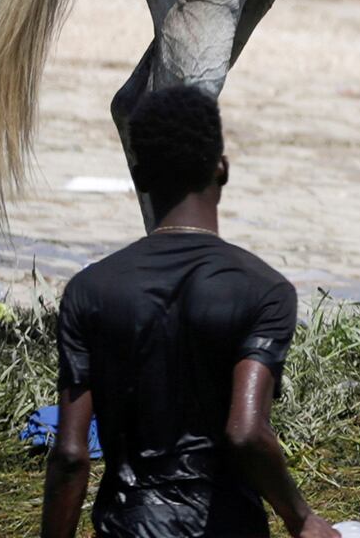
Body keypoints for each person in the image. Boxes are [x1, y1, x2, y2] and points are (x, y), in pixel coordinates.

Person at [42, 88, 336, 538]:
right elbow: (245, 431)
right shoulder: (264, 290)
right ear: (221, 168)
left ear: (139, 178)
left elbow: (69, 455)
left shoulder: (90, 290)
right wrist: (302, 518)